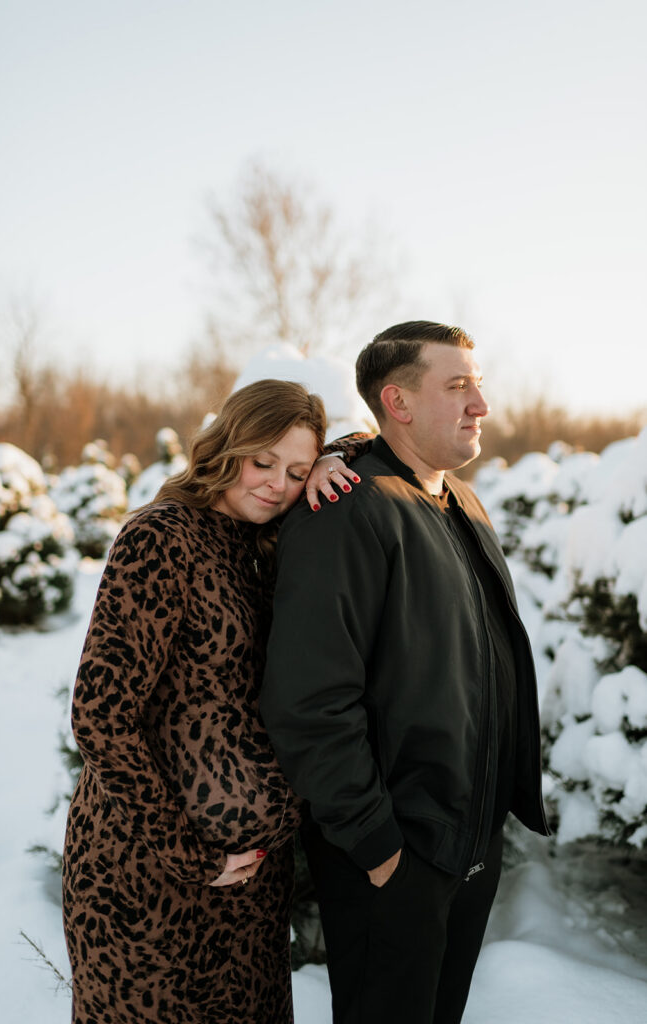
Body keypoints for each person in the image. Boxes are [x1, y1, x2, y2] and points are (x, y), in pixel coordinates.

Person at [260, 322, 550, 1024]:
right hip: (394, 860)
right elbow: (308, 700)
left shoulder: (460, 501)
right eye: (457, 386)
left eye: (479, 384)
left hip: (468, 843)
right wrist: (377, 845)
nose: (480, 403)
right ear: (398, 401)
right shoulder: (346, 510)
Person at [62, 378, 360, 1024]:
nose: (277, 485)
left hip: (251, 891)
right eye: (263, 462)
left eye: (296, 472)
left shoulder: (265, 544)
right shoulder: (161, 539)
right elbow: (100, 716)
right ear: (229, 445)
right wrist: (191, 856)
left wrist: (340, 457)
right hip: (149, 882)